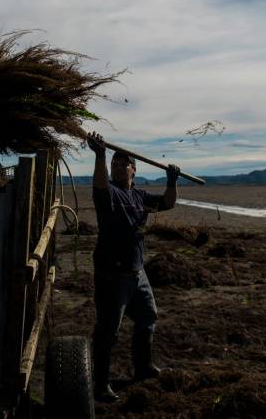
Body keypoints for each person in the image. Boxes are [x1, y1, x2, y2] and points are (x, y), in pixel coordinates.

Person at [86, 131, 181, 403]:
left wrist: (171, 181)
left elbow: (168, 203)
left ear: (133, 169)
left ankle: (143, 367)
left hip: (137, 274)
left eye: (122, 163)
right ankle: (101, 384)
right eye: (114, 164)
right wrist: (101, 155)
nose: (117, 167)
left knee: (148, 318)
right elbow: (100, 185)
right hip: (111, 275)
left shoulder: (140, 196)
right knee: (107, 332)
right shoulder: (109, 194)